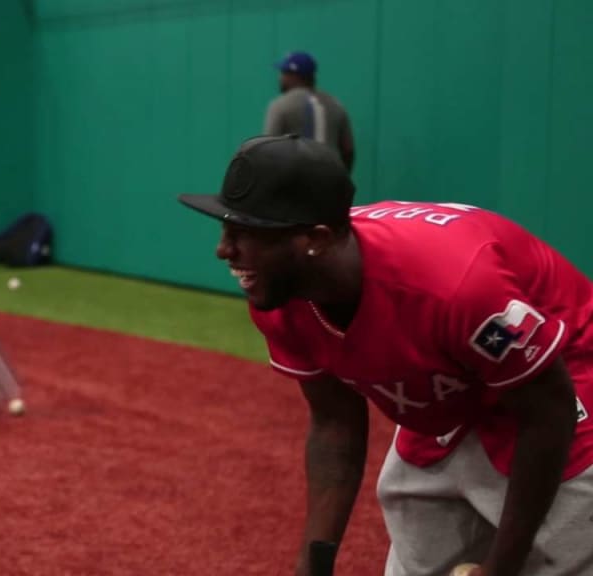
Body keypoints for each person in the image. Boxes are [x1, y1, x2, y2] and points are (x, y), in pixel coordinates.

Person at [178, 134, 593, 576]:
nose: (224, 250)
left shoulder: (454, 286)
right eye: (226, 229)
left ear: (314, 240)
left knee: (555, 560)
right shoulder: (283, 296)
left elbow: (549, 410)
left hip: (562, 381)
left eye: (246, 234)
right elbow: (334, 422)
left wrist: (503, 565)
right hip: (448, 394)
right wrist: (312, 565)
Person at [263, 52, 354, 171]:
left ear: (293, 75)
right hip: (331, 178)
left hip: (296, 179)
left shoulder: (281, 105)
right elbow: (348, 150)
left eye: (283, 73)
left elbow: (268, 150)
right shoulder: (336, 104)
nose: (280, 78)